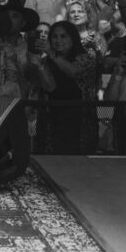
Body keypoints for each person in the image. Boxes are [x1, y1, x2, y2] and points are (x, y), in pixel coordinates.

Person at [34, 20, 99, 154]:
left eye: (63, 36)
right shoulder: (47, 61)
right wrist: (39, 66)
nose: (58, 40)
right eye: (54, 37)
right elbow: (49, 87)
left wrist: (51, 53)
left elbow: (74, 71)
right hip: (52, 120)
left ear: (73, 38)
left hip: (79, 120)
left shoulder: (86, 57)